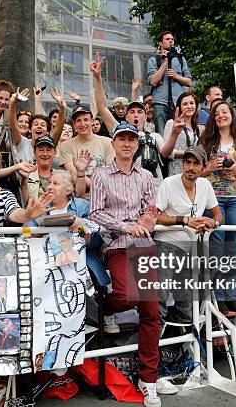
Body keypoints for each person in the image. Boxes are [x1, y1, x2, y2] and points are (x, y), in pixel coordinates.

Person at [90, 123, 172, 405]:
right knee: (126, 296)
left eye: (131, 140)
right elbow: (96, 213)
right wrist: (126, 227)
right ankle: (102, 309)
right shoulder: (100, 175)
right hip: (116, 244)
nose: (127, 144)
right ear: (113, 143)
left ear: (137, 145)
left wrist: (148, 220)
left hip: (144, 245)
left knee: (150, 311)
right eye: (121, 139)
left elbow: (151, 210)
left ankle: (148, 379)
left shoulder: (147, 176)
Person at [155, 145, 222, 324]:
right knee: (159, 295)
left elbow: (218, 215)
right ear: (182, 164)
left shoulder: (205, 184)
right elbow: (154, 217)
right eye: (188, 162)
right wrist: (184, 220)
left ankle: (182, 347)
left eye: (196, 163)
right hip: (166, 245)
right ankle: (156, 343)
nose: (191, 167)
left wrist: (211, 223)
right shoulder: (169, 183)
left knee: (186, 303)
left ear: (202, 166)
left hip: (190, 249)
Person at [199, 99, 236, 314]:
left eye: (225, 111)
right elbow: (196, 173)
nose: (221, 115)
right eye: (217, 112)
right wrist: (211, 167)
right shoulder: (206, 141)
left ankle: (233, 295)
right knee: (217, 246)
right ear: (213, 118)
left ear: (232, 115)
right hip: (213, 199)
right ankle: (219, 296)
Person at [92, 55, 167, 186]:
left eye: (139, 112)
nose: (136, 115)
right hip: (127, 188)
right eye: (132, 112)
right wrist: (97, 78)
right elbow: (102, 107)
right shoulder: (119, 130)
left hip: (154, 189)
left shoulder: (154, 136)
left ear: (146, 116)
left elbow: (167, 153)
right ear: (126, 117)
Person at [59, 104, 115, 197]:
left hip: (105, 196)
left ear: (92, 121)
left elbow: (110, 173)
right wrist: (99, 187)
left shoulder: (108, 142)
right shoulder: (66, 145)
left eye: (86, 120)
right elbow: (74, 173)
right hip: (77, 197)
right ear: (74, 124)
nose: (82, 124)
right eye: (78, 121)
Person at [147, 31, 192, 135]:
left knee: (179, 133)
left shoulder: (181, 59)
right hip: (160, 103)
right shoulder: (154, 60)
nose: (171, 41)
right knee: (162, 135)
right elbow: (153, 81)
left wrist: (176, 76)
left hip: (177, 103)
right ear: (160, 43)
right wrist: (164, 63)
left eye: (172, 39)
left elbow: (189, 82)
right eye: (167, 39)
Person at [9, 87, 66, 165]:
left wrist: (62, 107)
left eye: (43, 125)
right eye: (35, 124)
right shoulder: (22, 143)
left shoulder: (50, 143)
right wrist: (13, 104)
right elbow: (13, 126)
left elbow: (59, 127)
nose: (39, 126)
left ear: (47, 132)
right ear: (30, 129)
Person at [26, 136, 87, 201]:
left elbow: (78, 195)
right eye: (41, 150)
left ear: (55, 153)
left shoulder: (63, 175)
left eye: (49, 150)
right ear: (34, 153)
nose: (45, 154)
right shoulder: (26, 175)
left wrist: (81, 171)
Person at [161, 91, 203, 176]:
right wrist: (190, 153)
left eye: (192, 103)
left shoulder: (197, 128)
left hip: (194, 174)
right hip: (176, 174)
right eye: (185, 104)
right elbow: (166, 153)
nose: (189, 107)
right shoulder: (171, 123)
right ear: (179, 107)